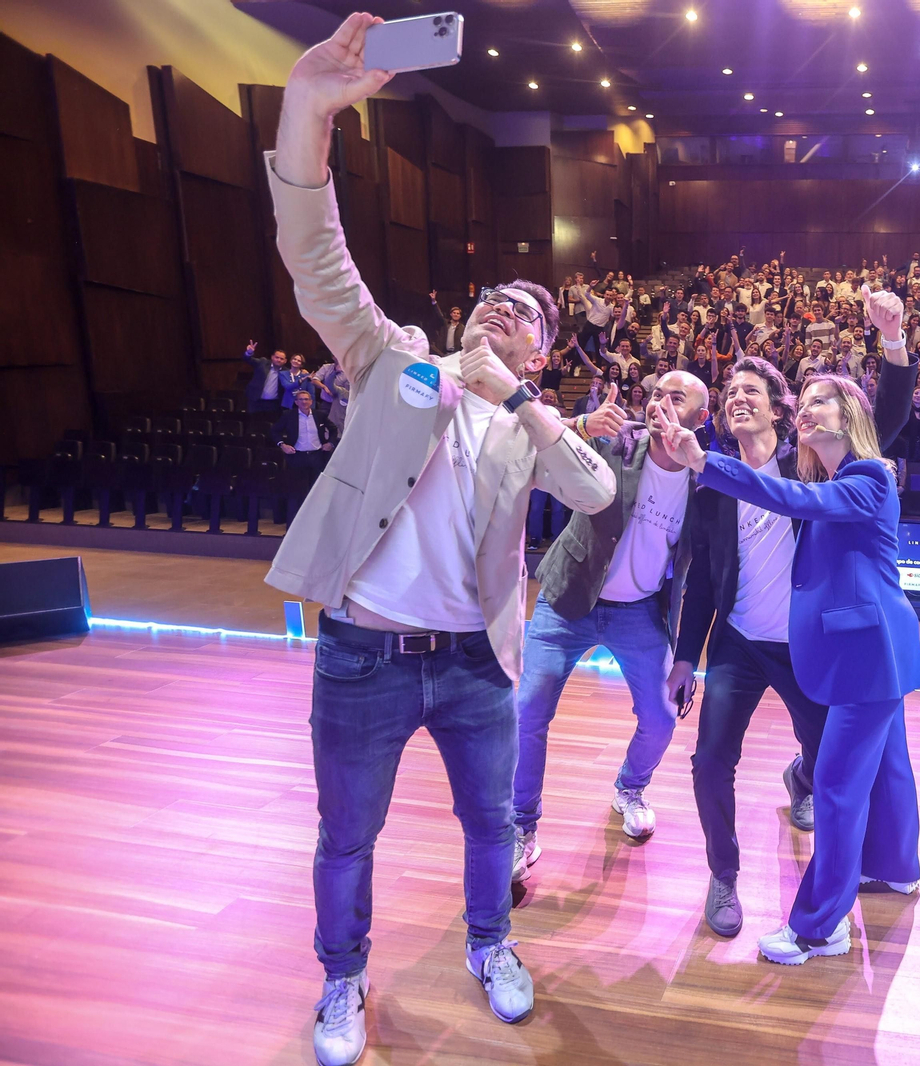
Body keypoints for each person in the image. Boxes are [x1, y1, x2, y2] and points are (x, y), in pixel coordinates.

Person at [267, 16, 616, 1064]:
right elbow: (312, 255)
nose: (504, 309)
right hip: (365, 654)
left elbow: (595, 491)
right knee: (345, 836)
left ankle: (489, 945)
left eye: (527, 315)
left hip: (473, 664)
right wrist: (306, 109)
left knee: (489, 830)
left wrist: (522, 399)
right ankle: (342, 981)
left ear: (543, 355)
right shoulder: (395, 365)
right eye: (495, 300)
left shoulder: (526, 424)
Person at [651, 372, 920, 967]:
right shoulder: (835, 476)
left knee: (837, 786)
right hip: (855, 650)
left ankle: (820, 928)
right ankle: (897, 869)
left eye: (817, 401)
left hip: (854, 653)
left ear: (849, 412)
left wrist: (703, 462)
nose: (806, 411)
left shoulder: (863, 475)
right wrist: (683, 654)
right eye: (804, 403)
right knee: (888, 768)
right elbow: (702, 581)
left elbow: (796, 500)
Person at [514, 369, 710, 869]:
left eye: (677, 397)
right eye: (656, 393)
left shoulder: (703, 480)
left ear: (700, 418)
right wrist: (582, 424)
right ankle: (520, 825)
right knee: (528, 712)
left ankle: (630, 787)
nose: (660, 402)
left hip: (640, 612)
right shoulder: (616, 444)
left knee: (663, 718)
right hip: (569, 599)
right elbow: (540, 442)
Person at [272, 387, 337, 472]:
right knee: (298, 483)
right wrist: (282, 445)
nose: (304, 402)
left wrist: (330, 443)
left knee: (316, 483)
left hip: (318, 456)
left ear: (311, 401)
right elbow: (275, 430)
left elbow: (333, 429)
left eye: (306, 399)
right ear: (296, 402)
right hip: (296, 456)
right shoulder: (288, 415)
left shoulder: (320, 415)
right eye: (301, 399)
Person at [243, 341, 288, 413]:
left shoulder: (286, 372)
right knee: (253, 423)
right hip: (256, 401)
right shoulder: (263, 363)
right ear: (272, 357)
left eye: (281, 359)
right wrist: (249, 353)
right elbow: (248, 360)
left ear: (285, 361)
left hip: (273, 404)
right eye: (277, 357)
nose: (279, 360)